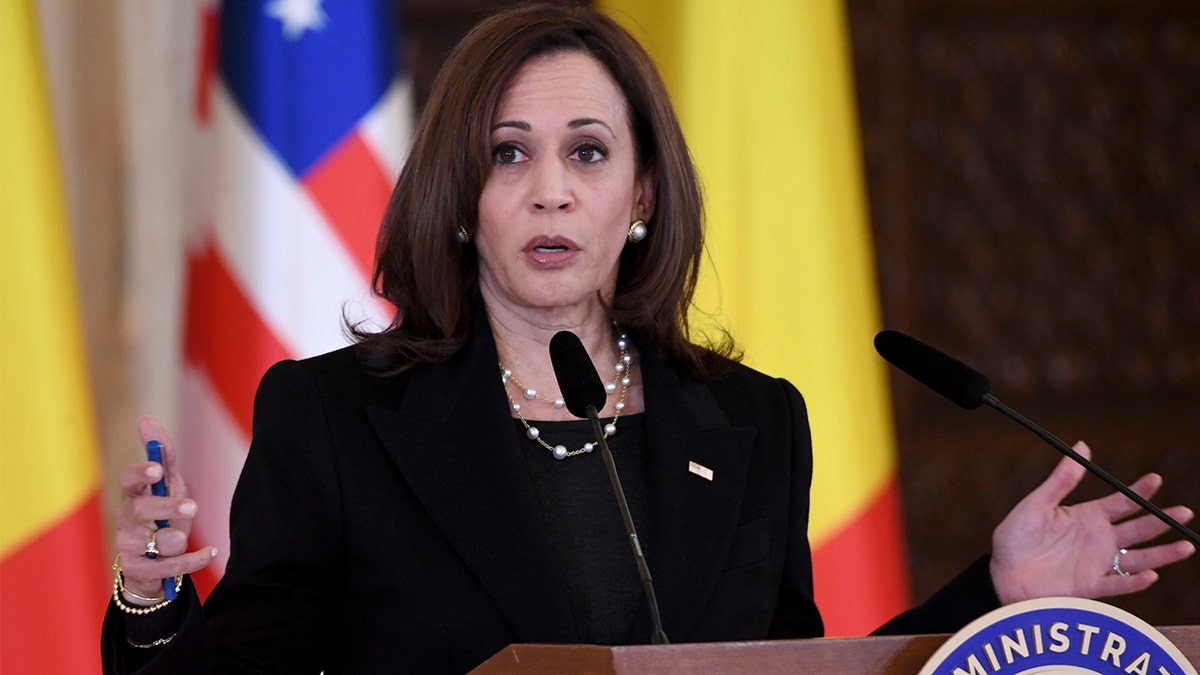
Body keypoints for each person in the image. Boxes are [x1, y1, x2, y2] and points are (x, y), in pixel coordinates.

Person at [102, 3, 1196, 673]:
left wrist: (996, 600)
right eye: (509, 155)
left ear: (641, 196)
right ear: (456, 197)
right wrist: (150, 601)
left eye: (586, 154)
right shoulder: (336, 418)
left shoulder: (752, 421)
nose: (549, 195)